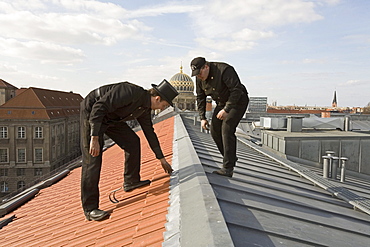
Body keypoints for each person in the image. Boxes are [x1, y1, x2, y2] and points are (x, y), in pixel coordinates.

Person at [80, 79, 178, 221]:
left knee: (132, 141)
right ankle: (90, 209)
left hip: (111, 118)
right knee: (93, 157)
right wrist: (94, 137)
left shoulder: (144, 109)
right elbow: (99, 108)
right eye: (164, 105)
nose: (163, 109)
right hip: (93, 113)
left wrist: (162, 159)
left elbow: (149, 133)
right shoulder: (130, 91)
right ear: (157, 98)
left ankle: (131, 181)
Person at [190, 57, 249, 178]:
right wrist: (202, 118)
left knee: (227, 128)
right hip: (221, 103)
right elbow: (200, 98)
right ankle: (230, 157)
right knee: (214, 130)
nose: (199, 76)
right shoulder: (199, 78)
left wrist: (227, 109)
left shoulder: (224, 70)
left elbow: (236, 90)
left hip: (237, 101)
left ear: (206, 67)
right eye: (196, 75)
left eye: (200, 73)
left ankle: (228, 168)